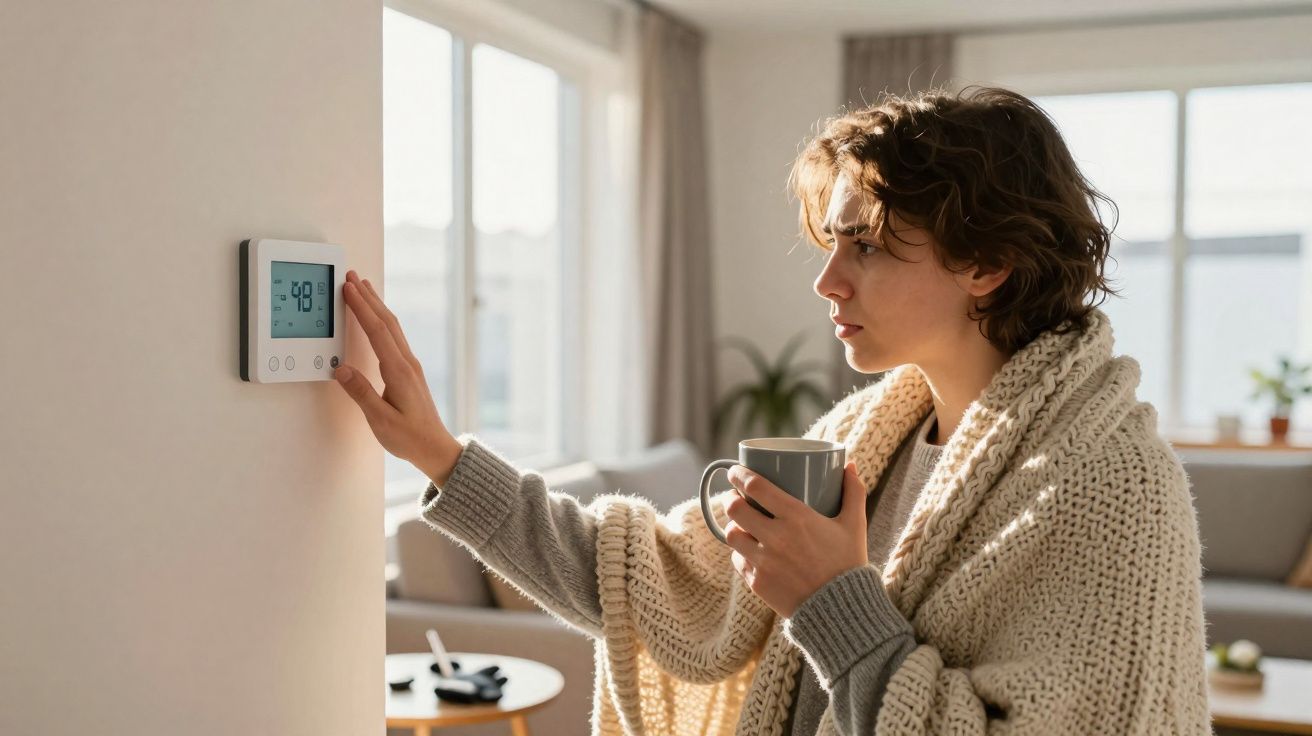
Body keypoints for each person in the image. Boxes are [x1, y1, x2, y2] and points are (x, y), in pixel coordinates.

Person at [334, 85, 1211, 735]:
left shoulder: (1112, 488)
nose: (828, 280)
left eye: (864, 245)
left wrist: (834, 600)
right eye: (832, 244)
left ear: (987, 263)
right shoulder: (854, 441)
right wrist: (440, 455)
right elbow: (636, 580)